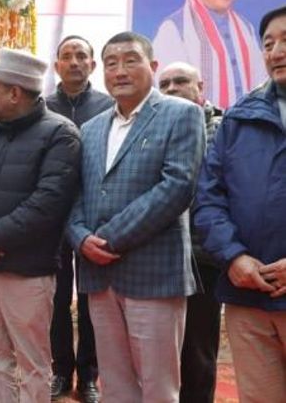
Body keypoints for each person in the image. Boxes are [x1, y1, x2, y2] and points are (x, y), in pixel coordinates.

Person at [67, 31, 205, 403]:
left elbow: (176, 187)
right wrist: (80, 238)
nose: (120, 70)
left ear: (152, 66)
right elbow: (76, 194)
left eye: (131, 60)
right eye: (111, 63)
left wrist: (109, 239)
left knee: (159, 387)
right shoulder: (92, 129)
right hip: (98, 276)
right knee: (115, 384)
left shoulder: (182, 114)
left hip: (154, 274)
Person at [0, 48, 82, 402]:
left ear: (15, 92)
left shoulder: (61, 134)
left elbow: (47, 204)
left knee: (31, 363)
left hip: (27, 272)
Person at [193, 5, 286, 403]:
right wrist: (233, 258)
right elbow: (209, 197)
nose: (277, 51)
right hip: (248, 292)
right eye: (269, 43)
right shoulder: (239, 118)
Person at [45, 35, 112, 402]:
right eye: (66, 56)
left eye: (81, 56)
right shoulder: (43, 107)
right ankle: (60, 370)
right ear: (56, 65)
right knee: (55, 298)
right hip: (52, 218)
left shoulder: (108, 106)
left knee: (91, 298)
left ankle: (89, 374)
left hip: (93, 216)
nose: (74, 62)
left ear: (92, 65)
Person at [156, 61, 223, 403]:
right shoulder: (152, 129)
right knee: (159, 352)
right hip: (157, 258)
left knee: (197, 351)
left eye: (180, 81)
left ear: (201, 87)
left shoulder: (224, 130)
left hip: (202, 257)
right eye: (164, 84)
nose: (171, 89)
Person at [151, 0, 265, 109]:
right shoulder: (174, 30)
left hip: (245, 129)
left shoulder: (245, 28)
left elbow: (263, 86)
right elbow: (168, 100)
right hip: (196, 130)